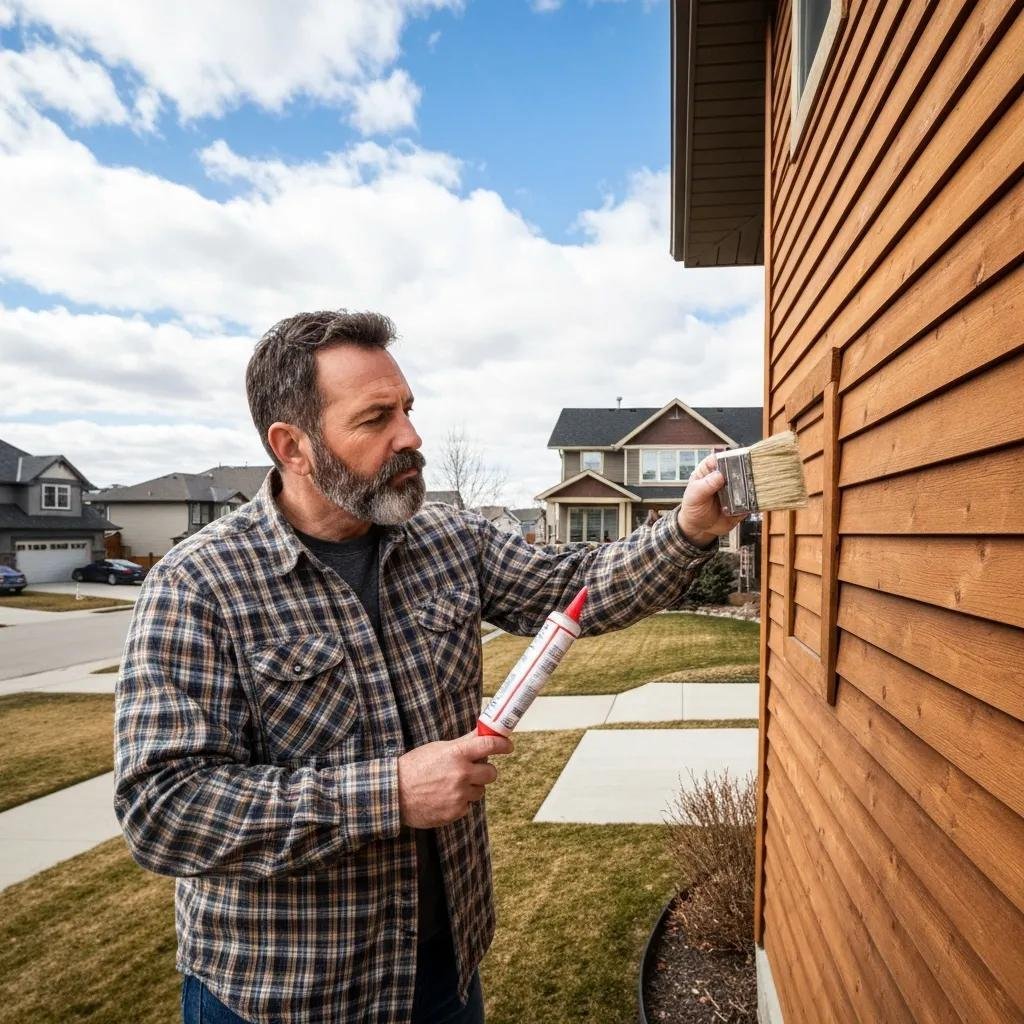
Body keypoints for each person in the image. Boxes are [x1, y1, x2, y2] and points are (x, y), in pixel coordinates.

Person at [113, 310, 744, 1024]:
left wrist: (689, 527)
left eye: (408, 409)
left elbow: (585, 586)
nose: (411, 437)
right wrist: (390, 793)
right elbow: (163, 808)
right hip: (281, 995)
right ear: (293, 446)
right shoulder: (197, 585)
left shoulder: (450, 541)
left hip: (444, 974)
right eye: (376, 418)